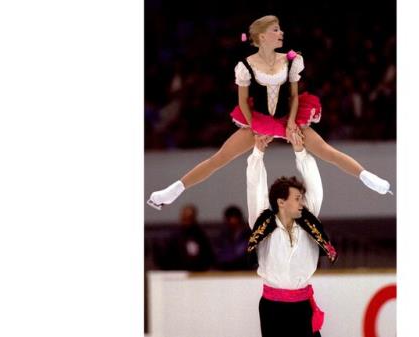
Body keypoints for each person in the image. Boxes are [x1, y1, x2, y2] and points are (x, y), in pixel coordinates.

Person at [147, 14, 390, 211]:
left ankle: (368, 178)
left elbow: (294, 96)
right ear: (262, 36)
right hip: (259, 119)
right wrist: (254, 126)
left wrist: (293, 122)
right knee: (219, 158)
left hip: (289, 117)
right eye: (276, 29)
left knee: (328, 151)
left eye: (281, 29)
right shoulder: (245, 66)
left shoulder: (292, 59)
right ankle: (172, 191)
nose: (281, 32)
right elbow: (242, 101)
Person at [246, 134, 335, 337]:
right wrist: (258, 153)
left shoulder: (308, 221)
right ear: (281, 201)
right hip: (272, 308)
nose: (302, 202)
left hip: (302, 305)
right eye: (296, 198)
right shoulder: (262, 222)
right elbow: (255, 188)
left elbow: (315, 187)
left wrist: (300, 152)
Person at [161, 204, 215, 271]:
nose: (186, 221)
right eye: (184, 218)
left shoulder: (200, 235)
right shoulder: (174, 237)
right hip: (179, 272)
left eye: (189, 218)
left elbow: (208, 255)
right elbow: (168, 257)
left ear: (194, 218)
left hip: (198, 271)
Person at [215, 205, 253, 270]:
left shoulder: (248, 235)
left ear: (240, 219)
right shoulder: (223, 236)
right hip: (225, 268)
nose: (233, 221)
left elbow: (248, 255)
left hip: (244, 268)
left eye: (235, 218)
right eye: (230, 219)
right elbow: (220, 255)